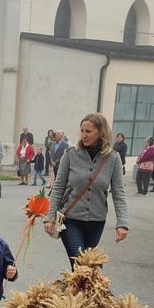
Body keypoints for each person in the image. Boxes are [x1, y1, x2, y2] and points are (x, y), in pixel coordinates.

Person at [45, 113, 129, 267]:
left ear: (101, 132)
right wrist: (50, 217)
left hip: (97, 221)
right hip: (70, 219)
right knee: (80, 263)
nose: (83, 135)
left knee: (89, 267)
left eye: (88, 131)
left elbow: (119, 193)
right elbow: (58, 188)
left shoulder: (113, 158)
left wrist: (122, 223)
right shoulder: (70, 154)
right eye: (82, 130)